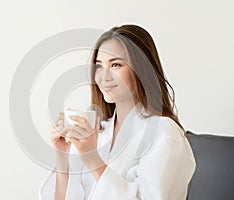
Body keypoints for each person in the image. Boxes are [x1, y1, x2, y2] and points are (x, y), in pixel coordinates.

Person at [39, 24, 196, 200]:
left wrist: (92, 160)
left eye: (115, 65)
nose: (104, 77)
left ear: (142, 70)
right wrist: (63, 155)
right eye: (99, 66)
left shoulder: (163, 132)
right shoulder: (99, 130)